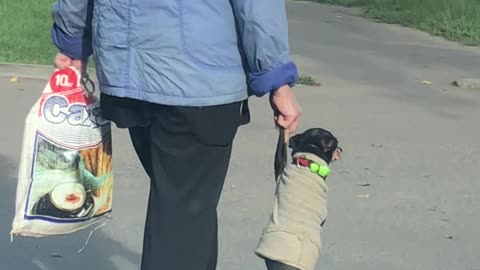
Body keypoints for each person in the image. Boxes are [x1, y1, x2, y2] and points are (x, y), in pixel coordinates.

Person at [51, 1, 301, 270]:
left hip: (127, 72)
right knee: (183, 219)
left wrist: (73, 39)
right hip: (197, 82)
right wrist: (277, 78)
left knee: (184, 211)